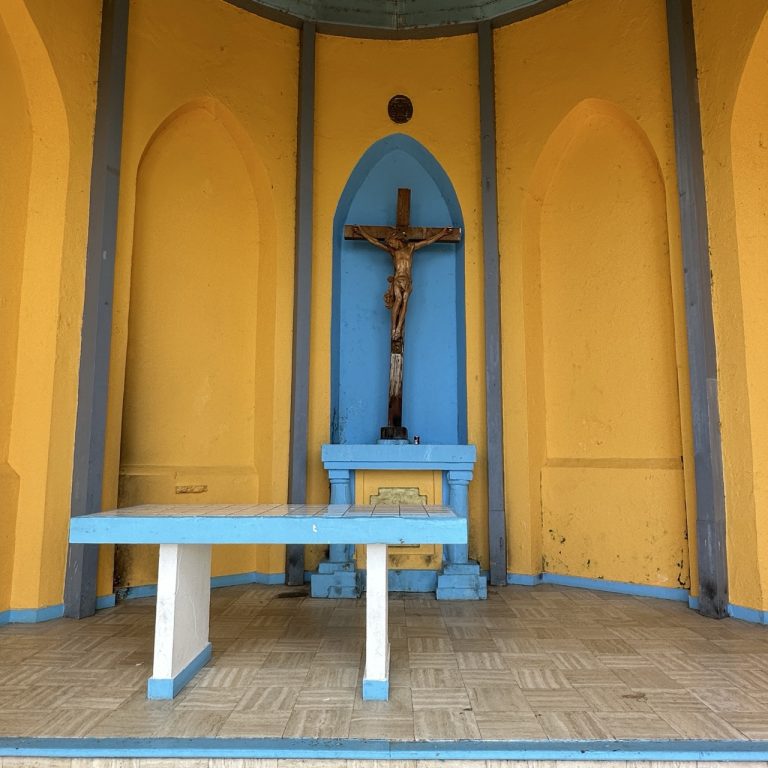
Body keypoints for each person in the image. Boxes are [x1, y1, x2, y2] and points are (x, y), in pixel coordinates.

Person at [353, 225, 452, 341]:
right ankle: (393, 328)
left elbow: (427, 242)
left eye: (391, 242)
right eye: (389, 243)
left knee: (404, 301)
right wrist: (361, 233)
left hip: (407, 281)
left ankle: (399, 327)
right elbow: (375, 242)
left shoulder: (411, 248)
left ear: (397, 239)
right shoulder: (393, 252)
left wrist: (443, 233)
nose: (390, 245)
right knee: (398, 299)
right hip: (397, 279)